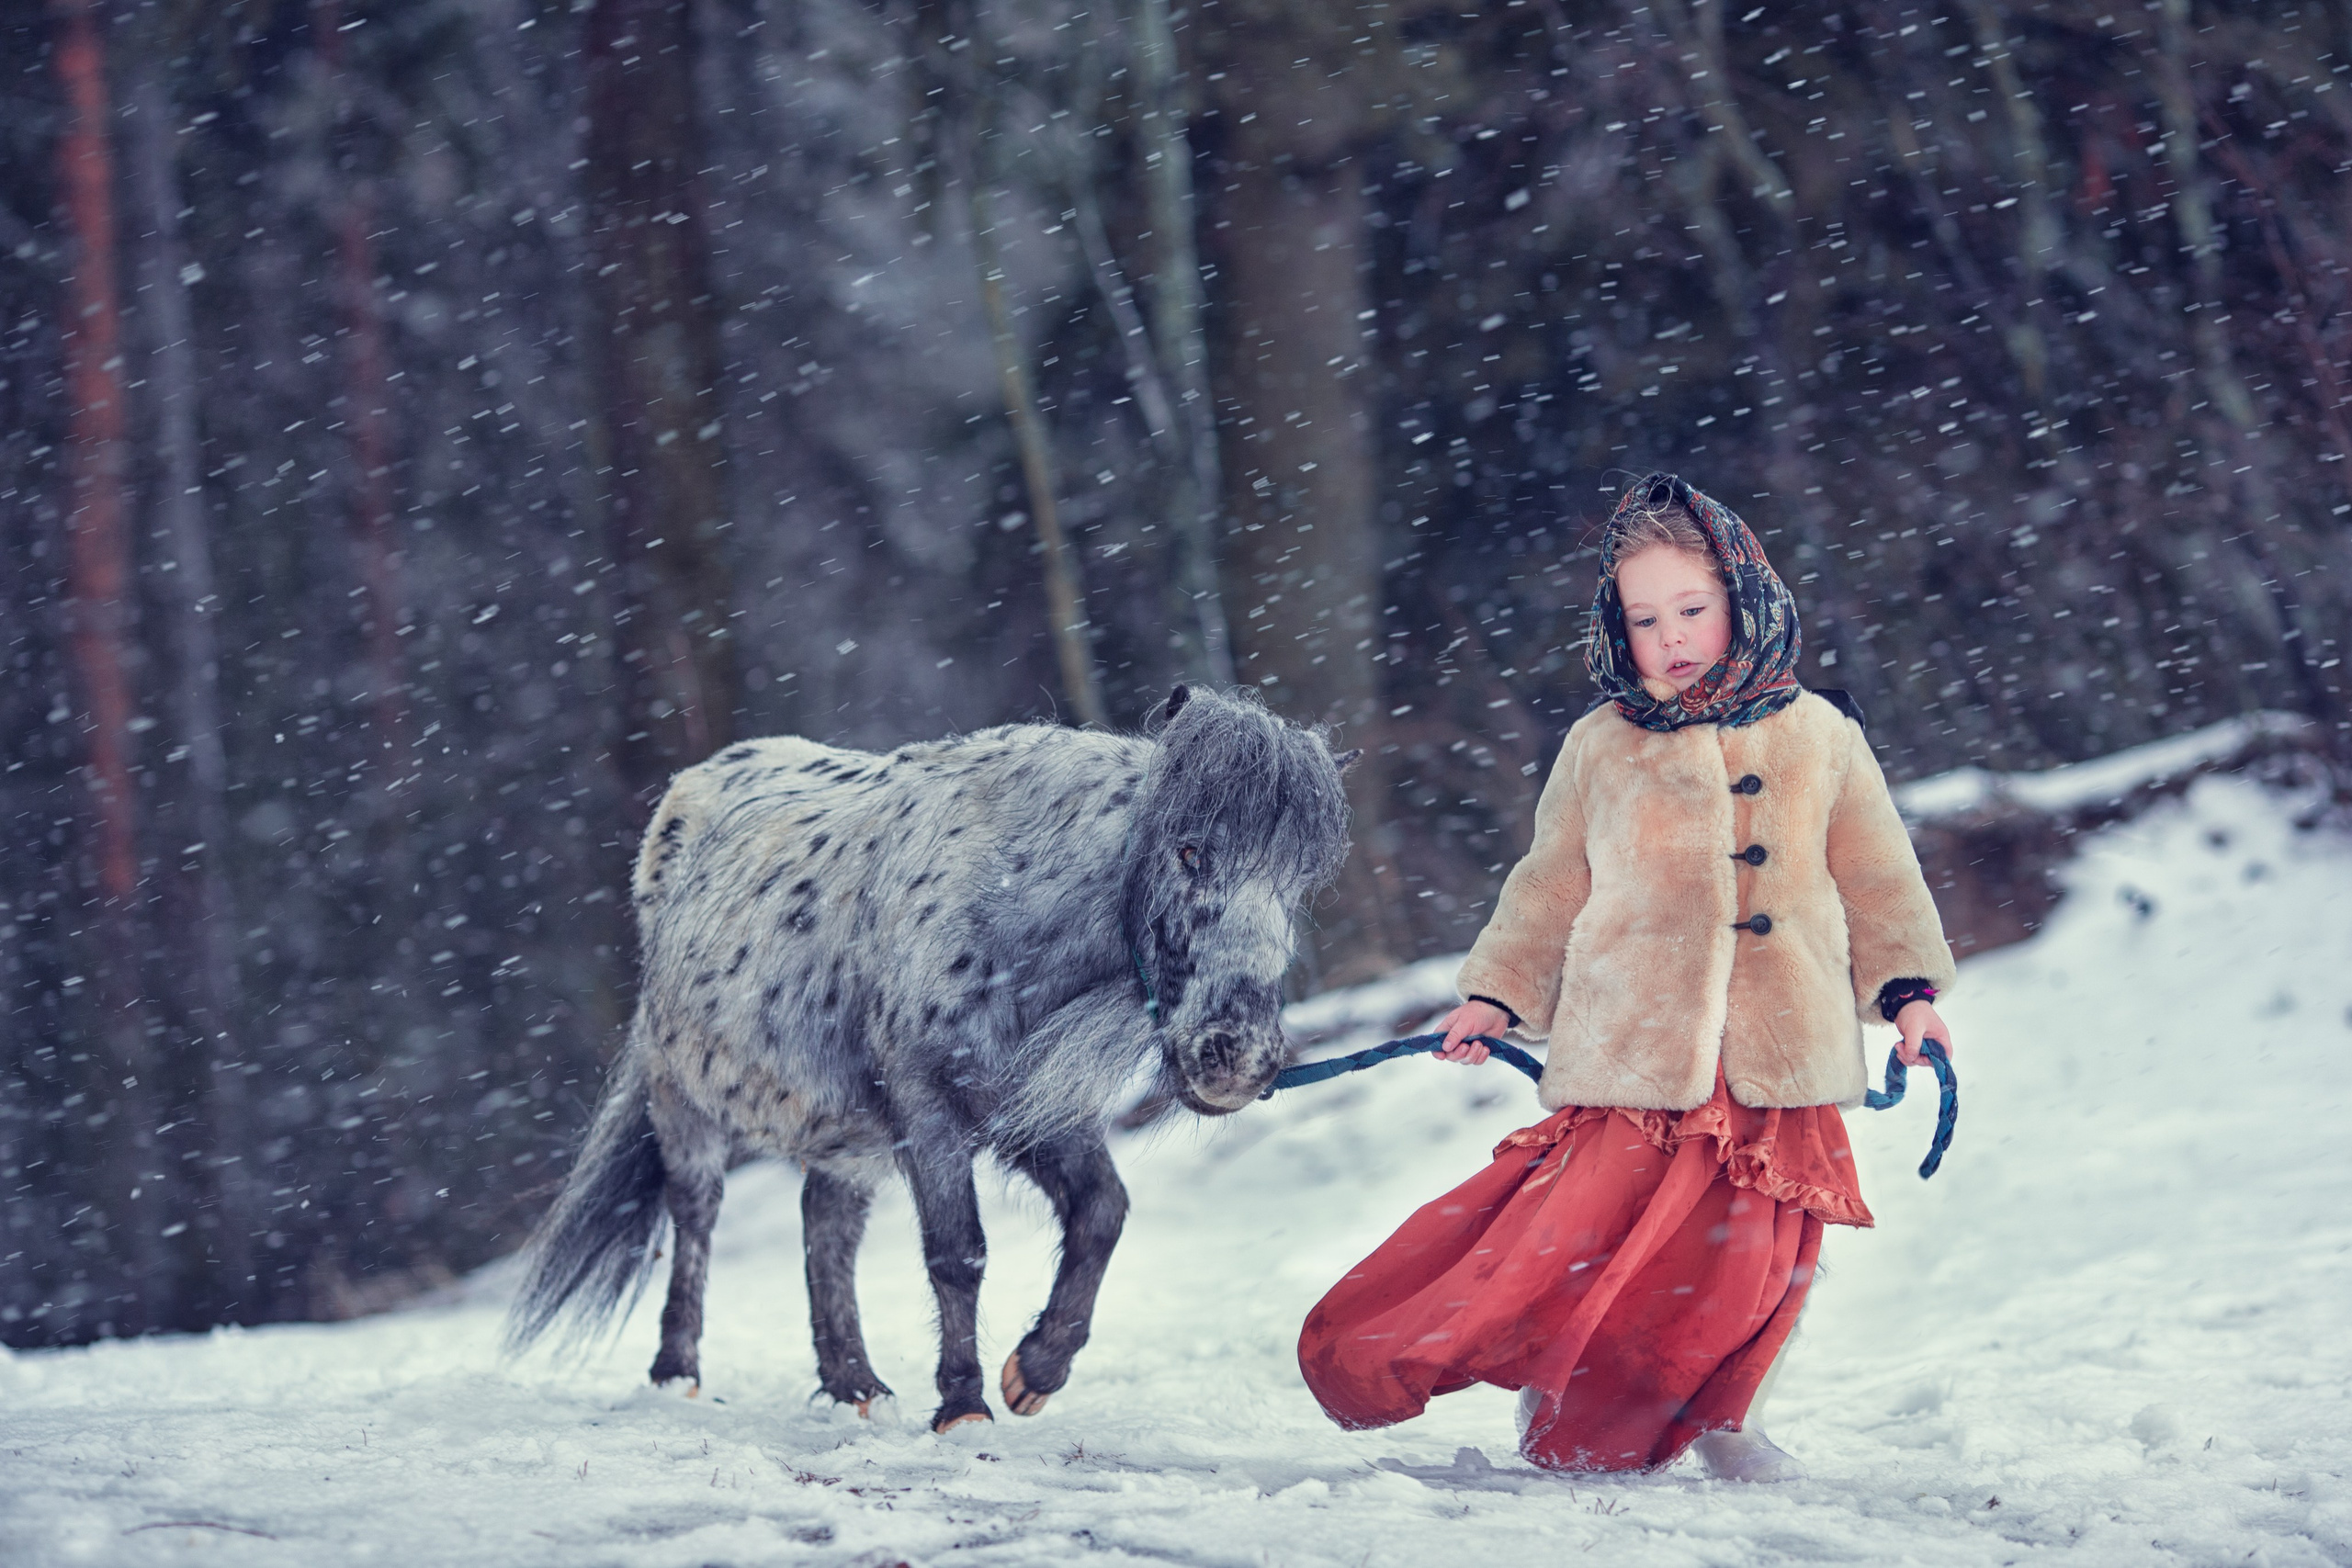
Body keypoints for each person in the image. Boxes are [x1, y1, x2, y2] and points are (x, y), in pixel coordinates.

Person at [1295, 472, 1956, 1482]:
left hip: (1781, 1054)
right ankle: (1548, 1387)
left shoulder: (1821, 735)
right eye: (1644, 618)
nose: (1671, 636)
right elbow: (1548, 885)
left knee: (1757, 1266)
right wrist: (1497, 994)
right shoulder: (1599, 748)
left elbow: (1877, 875)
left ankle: (1727, 1420)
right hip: (1633, 1055)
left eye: (1691, 609)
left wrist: (1909, 997)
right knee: (1581, 1240)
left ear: (1744, 599)